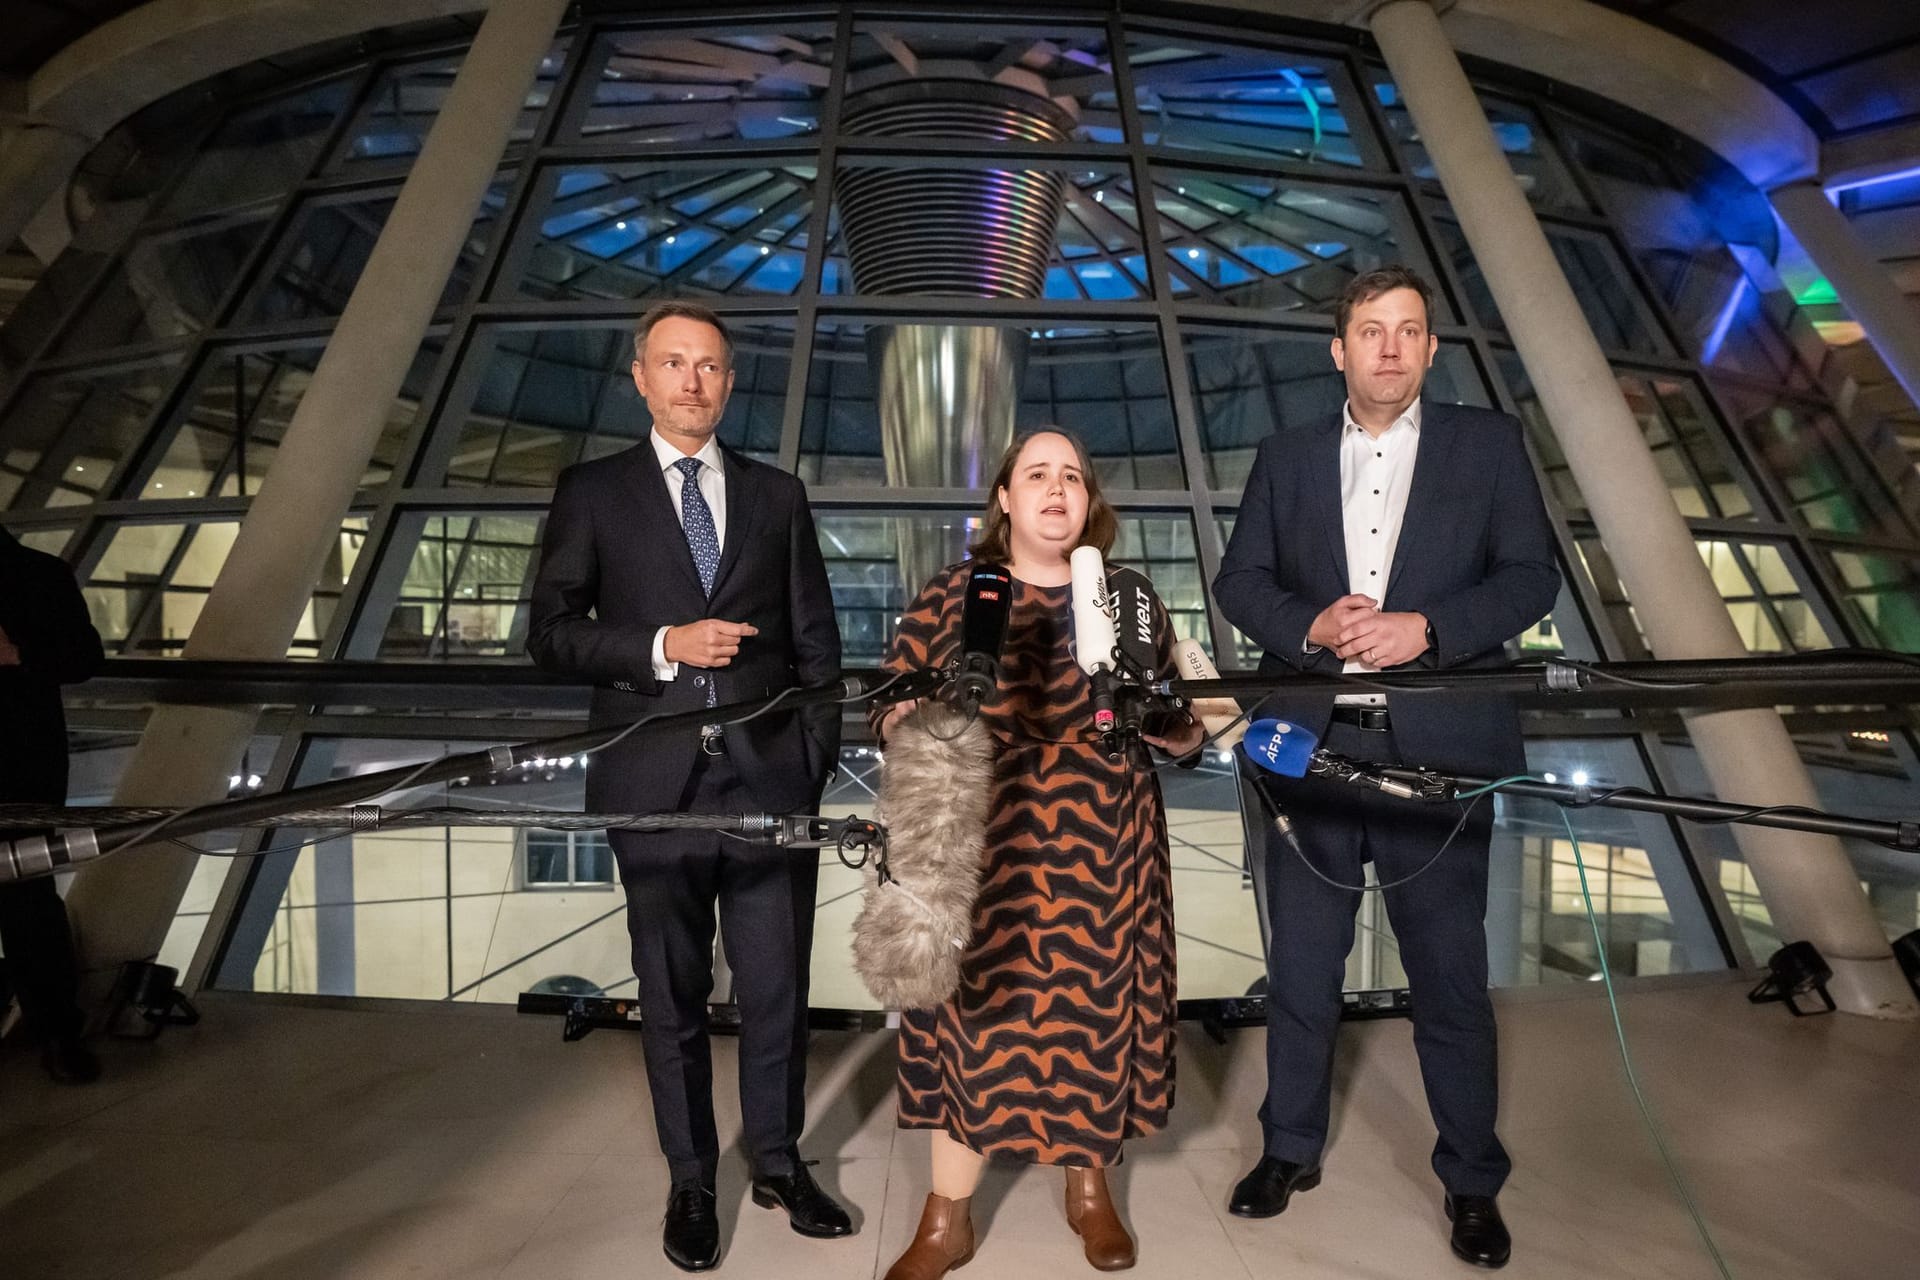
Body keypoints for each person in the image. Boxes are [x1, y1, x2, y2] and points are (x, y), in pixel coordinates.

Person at [1213, 265, 1560, 1270]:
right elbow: (1241, 580)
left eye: (1410, 330)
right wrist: (1310, 624)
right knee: (1303, 976)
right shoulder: (1284, 457)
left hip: (1442, 759)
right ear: (1340, 349)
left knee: (1450, 980)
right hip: (1312, 754)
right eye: (1373, 330)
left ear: (1432, 348)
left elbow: (1532, 574)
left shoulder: (1488, 446)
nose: (1392, 348)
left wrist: (1430, 628)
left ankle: (1471, 1180)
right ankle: (1289, 1149)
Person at [527, 300, 847, 1273]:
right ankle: (693, 1177)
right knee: (670, 994)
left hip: (765, 782)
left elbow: (818, 646)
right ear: (641, 377)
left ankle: (781, 1160)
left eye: (708, 365)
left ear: (729, 379)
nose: (692, 380)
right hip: (650, 780)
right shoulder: (592, 490)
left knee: (777, 988)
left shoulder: (777, 494)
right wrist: (660, 645)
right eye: (673, 362)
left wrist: (810, 764)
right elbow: (549, 631)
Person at [872, 428, 1205, 1279]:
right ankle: (946, 1218)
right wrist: (917, 723)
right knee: (975, 1025)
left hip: (1107, 844)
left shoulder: (1131, 600)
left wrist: (1179, 720)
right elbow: (890, 704)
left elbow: (1181, 729)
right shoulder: (956, 594)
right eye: (1037, 475)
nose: (1057, 490)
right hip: (985, 842)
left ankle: (1089, 1192)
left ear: (1090, 502)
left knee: (1094, 1016)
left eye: (1073, 478)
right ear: (1005, 501)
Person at [0, 526, 106, 1084]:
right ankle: (57, 1036)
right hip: (26, 762)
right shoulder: (39, 572)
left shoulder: (38, 574)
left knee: (29, 899)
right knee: (29, 897)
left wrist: (15, 653)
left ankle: (57, 1033)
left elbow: (84, 656)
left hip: (20, 764)